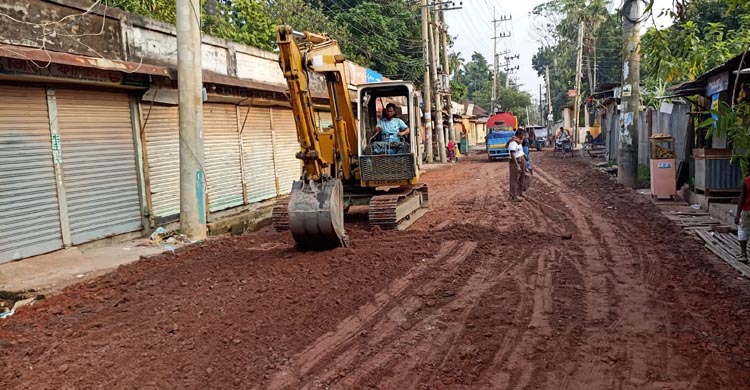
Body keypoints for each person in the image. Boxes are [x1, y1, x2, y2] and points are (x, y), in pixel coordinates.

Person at [507, 129, 526, 202]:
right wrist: (517, 165)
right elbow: (512, 154)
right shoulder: (513, 142)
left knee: (522, 177)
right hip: (516, 161)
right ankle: (513, 196)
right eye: (523, 135)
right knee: (515, 178)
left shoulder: (518, 141)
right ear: (519, 134)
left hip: (521, 159)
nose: (524, 136)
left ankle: (519, 193)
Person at [735, 172, 750, 262]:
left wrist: (737, 214)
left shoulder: (746, 181)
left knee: (743, 231)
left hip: (747, 210)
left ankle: (744, 254)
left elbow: (742, 198)